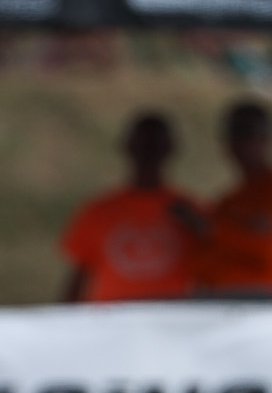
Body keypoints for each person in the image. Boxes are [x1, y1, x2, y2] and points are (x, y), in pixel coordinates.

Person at [59, 111, 198, 304]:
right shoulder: (100, 211)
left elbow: (215, 268)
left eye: (154, 147)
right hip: (113, 317)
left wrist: (200, 228)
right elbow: (78, 276)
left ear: (170, 149)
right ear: (127, 147)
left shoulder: (190, 210)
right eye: (143, 146)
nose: (148, 154)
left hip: (171, 316)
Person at [195, 102, 272, 297]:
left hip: (271, 304)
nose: (242, 142)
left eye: (248, 133)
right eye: (235, 134)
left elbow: (269, 250)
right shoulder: (228, 201)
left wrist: (213, 230)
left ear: (269, 139)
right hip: (223, 304)